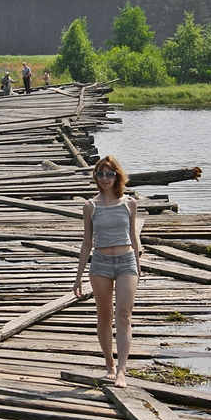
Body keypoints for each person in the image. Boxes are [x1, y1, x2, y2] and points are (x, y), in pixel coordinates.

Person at [73, 156, 141, 388]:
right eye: (101, 174)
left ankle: (122, 370)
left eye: (109, 174)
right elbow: (86, 242)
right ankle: (109, 364)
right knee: (105, 315)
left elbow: (134, 236)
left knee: (124, 315)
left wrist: (138, 267)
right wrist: (78, 277)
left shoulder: (129, 203)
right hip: (100, 263)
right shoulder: (90, 206)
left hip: (126, 262)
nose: (105, 178)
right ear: (96, 177)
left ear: (117, 176)